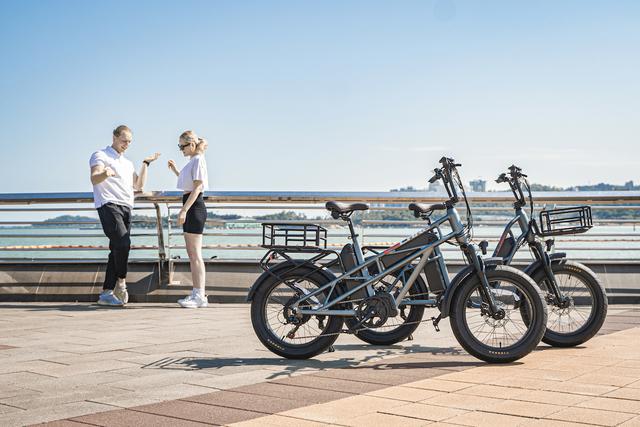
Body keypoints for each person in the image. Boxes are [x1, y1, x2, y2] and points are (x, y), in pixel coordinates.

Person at [90, 125, 160, 306]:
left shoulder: (127, 163)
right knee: (123, 243)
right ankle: (121, 282)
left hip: (126, 207)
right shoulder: (100, 155)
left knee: (117, 249)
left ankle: (106, 293)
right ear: (114, 137)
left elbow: (138, 185)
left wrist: (145, 163)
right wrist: (105, 173)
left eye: (129, 142)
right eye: (123, 140)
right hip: (108, 204)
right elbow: (94, 177)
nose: (126, 144)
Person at [168, 130, 209, 308]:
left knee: (195, 255)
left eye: (182, 146)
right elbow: (188, 183)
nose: (180, 149)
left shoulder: (198, 160)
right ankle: (196, 293)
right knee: (192, 255)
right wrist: (175, 170)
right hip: (191, 205)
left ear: (191, 145)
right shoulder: (193, 161)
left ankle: (200, 295)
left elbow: (198, 187)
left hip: (194, 207)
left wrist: (184, 209)